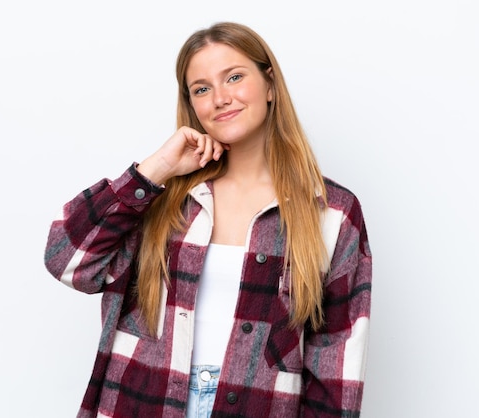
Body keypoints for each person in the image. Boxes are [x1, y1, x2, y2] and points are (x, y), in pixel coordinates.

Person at [44, 21, 372, 418]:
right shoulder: (162, 199)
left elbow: (336, 363)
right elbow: (67, 260)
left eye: (234, 77)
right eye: (202, 89)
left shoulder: (331, 211)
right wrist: (156, 168)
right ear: (192, 106)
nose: (220, 98)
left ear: (270, 84)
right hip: (140, 400)